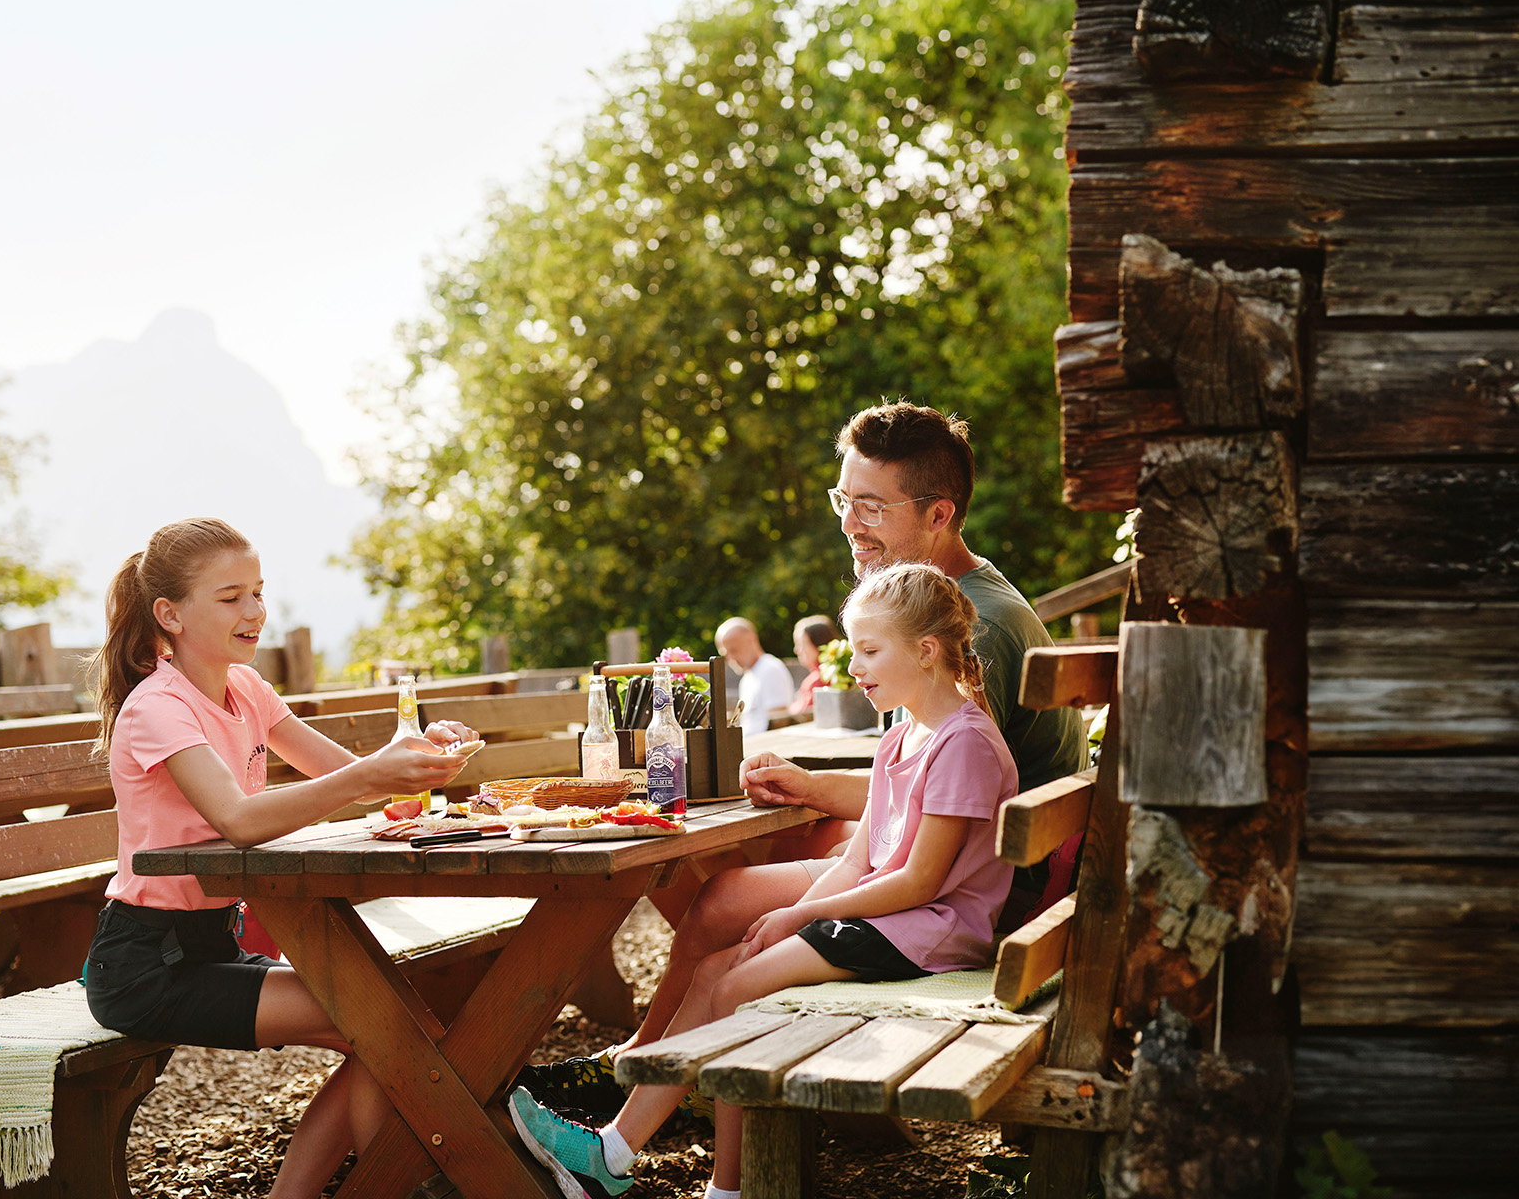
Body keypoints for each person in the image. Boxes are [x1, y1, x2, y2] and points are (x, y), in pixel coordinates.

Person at [516, 401, 1087, 1115]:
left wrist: (816, 798)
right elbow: (918, 781)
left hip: (987, 903)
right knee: (769, 859)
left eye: (871, 506)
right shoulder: (953, 601)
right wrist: (813, 785)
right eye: (844, 500)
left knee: (737, 888)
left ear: (939, 514)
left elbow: (942, 792)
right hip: (977, 872)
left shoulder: (980, 631)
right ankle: (653, 1064)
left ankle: (661, 1073)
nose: (849, 523)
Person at [508, 562, 1019, 1199]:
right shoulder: (901, 736)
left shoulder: (962, 742)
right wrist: (788, 916)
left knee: (736, 989)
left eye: (868, 651)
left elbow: (919, 882)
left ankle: (728, 1189)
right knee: (714, 968)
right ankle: (611, 1154)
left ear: (925, 650)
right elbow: (857, 860)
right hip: (888, 924)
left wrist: (798, 919)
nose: (852, 668)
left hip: (930, 934)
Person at [81, 518, 476, 1198]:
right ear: (169, 615)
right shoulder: (157, 708)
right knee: (386, 1028)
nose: (256, 612)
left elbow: (357, 782)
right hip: (145, 965)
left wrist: (419, 761)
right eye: (231, 597)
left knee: (391, 1026)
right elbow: (237, 819)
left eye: (259, 593)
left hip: (214, 945)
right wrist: (371, 777)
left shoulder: (246, 689)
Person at [715, 616, 795, 736]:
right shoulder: (748, 677)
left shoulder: (770, 669)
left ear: (752, 640)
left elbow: (779, 722)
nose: (730, 659)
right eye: (726, 654)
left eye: (734, 650)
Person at [785, 613, 840, 715]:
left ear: (818, 644)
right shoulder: (832, 673)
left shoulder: (819, 681)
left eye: (801, 644)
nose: (796, 650)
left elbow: (801, 715)